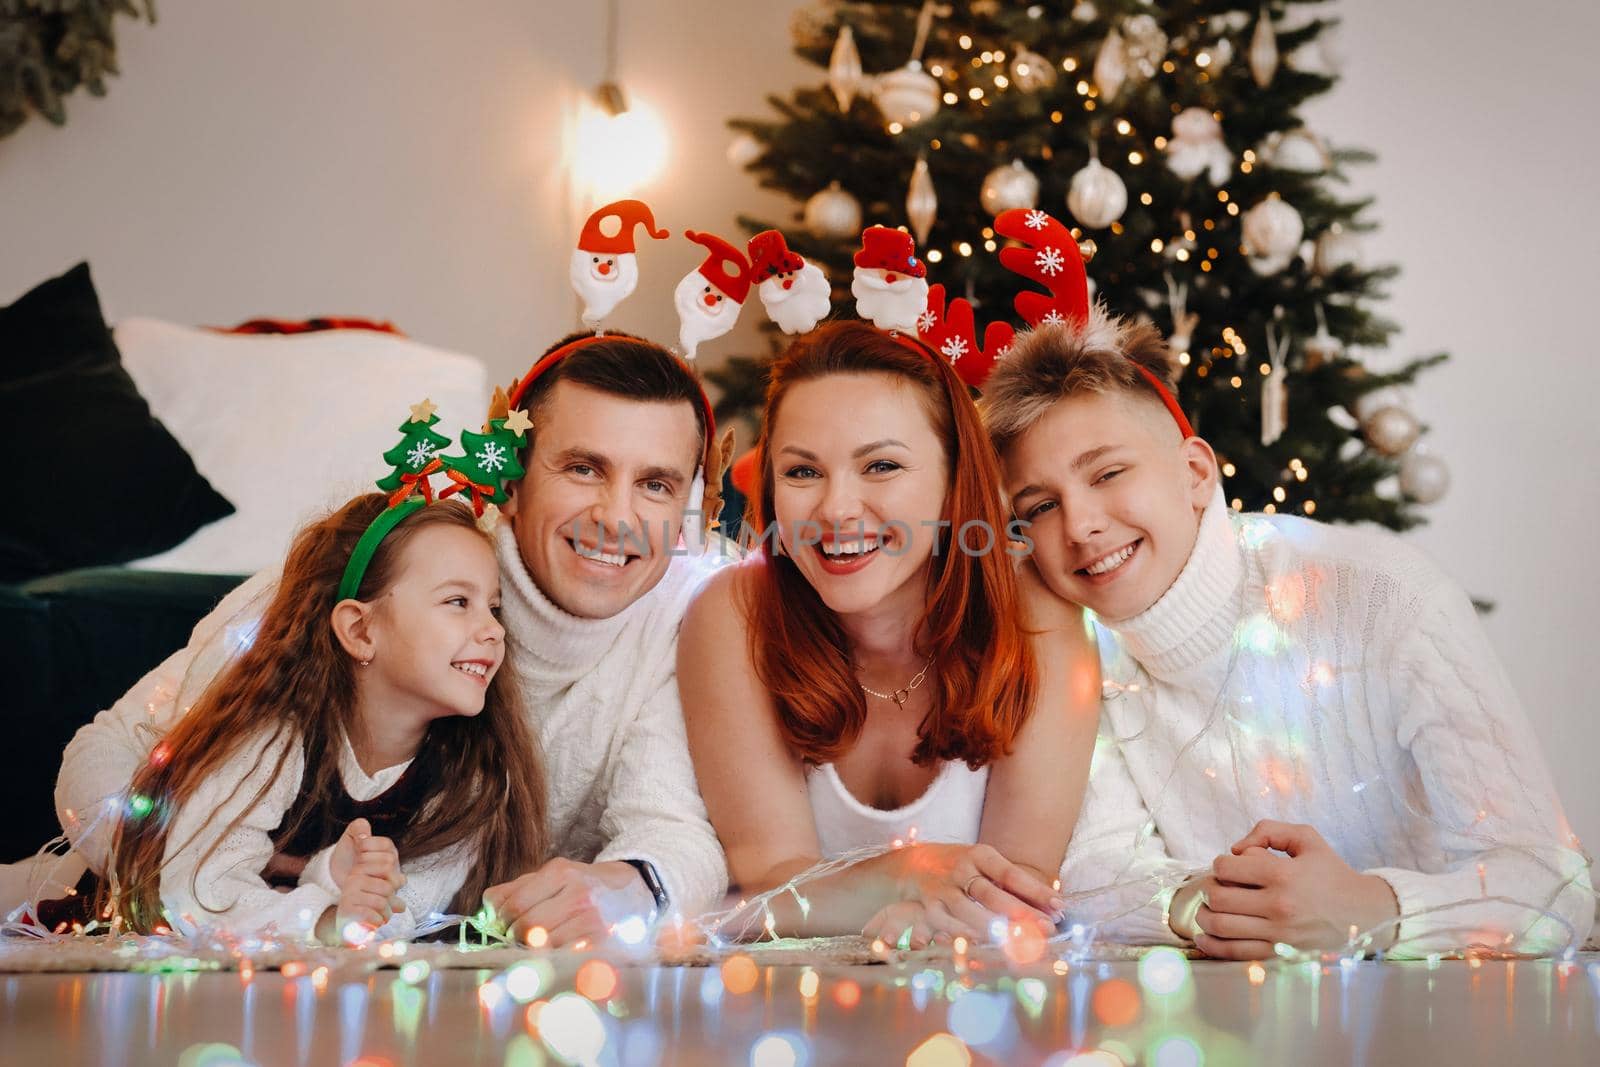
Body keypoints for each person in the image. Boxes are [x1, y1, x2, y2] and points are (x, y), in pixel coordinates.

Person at [54, 333, 734, 945]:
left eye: (655, 484)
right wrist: (239, 881)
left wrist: (630, 889)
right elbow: (107, 751)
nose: (616, 516)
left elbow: (676, 832)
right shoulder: (382, 566)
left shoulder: (689, 618)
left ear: (689, 506)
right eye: (583, 467)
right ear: (513, 479)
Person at [980, 307, 1594, 958]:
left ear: (1194, 472)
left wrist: (1376, 911)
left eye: (1107, 473)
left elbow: (1556, 887)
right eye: (1040, 506)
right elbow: (1093, 867)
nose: (1078, 525)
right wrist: (1213, 902)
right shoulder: (1078, 654)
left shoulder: (1384, 597)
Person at [679, 319, 1102, 948]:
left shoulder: (1036, 618)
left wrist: (924, 914)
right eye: (801, 472)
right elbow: (768, 884)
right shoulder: (733, 614)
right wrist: (906, 873)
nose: (836, 510)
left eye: (880, 465)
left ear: (956, 480)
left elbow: (1016, 890)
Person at [89, 493, 543, 942]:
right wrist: (324, 917)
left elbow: (406, 912)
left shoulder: (473, 781)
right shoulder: (275, 738)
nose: (494, 630)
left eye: (494, 607)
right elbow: (200, 890)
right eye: (459, 602)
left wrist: (345, 891)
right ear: (360, 630)